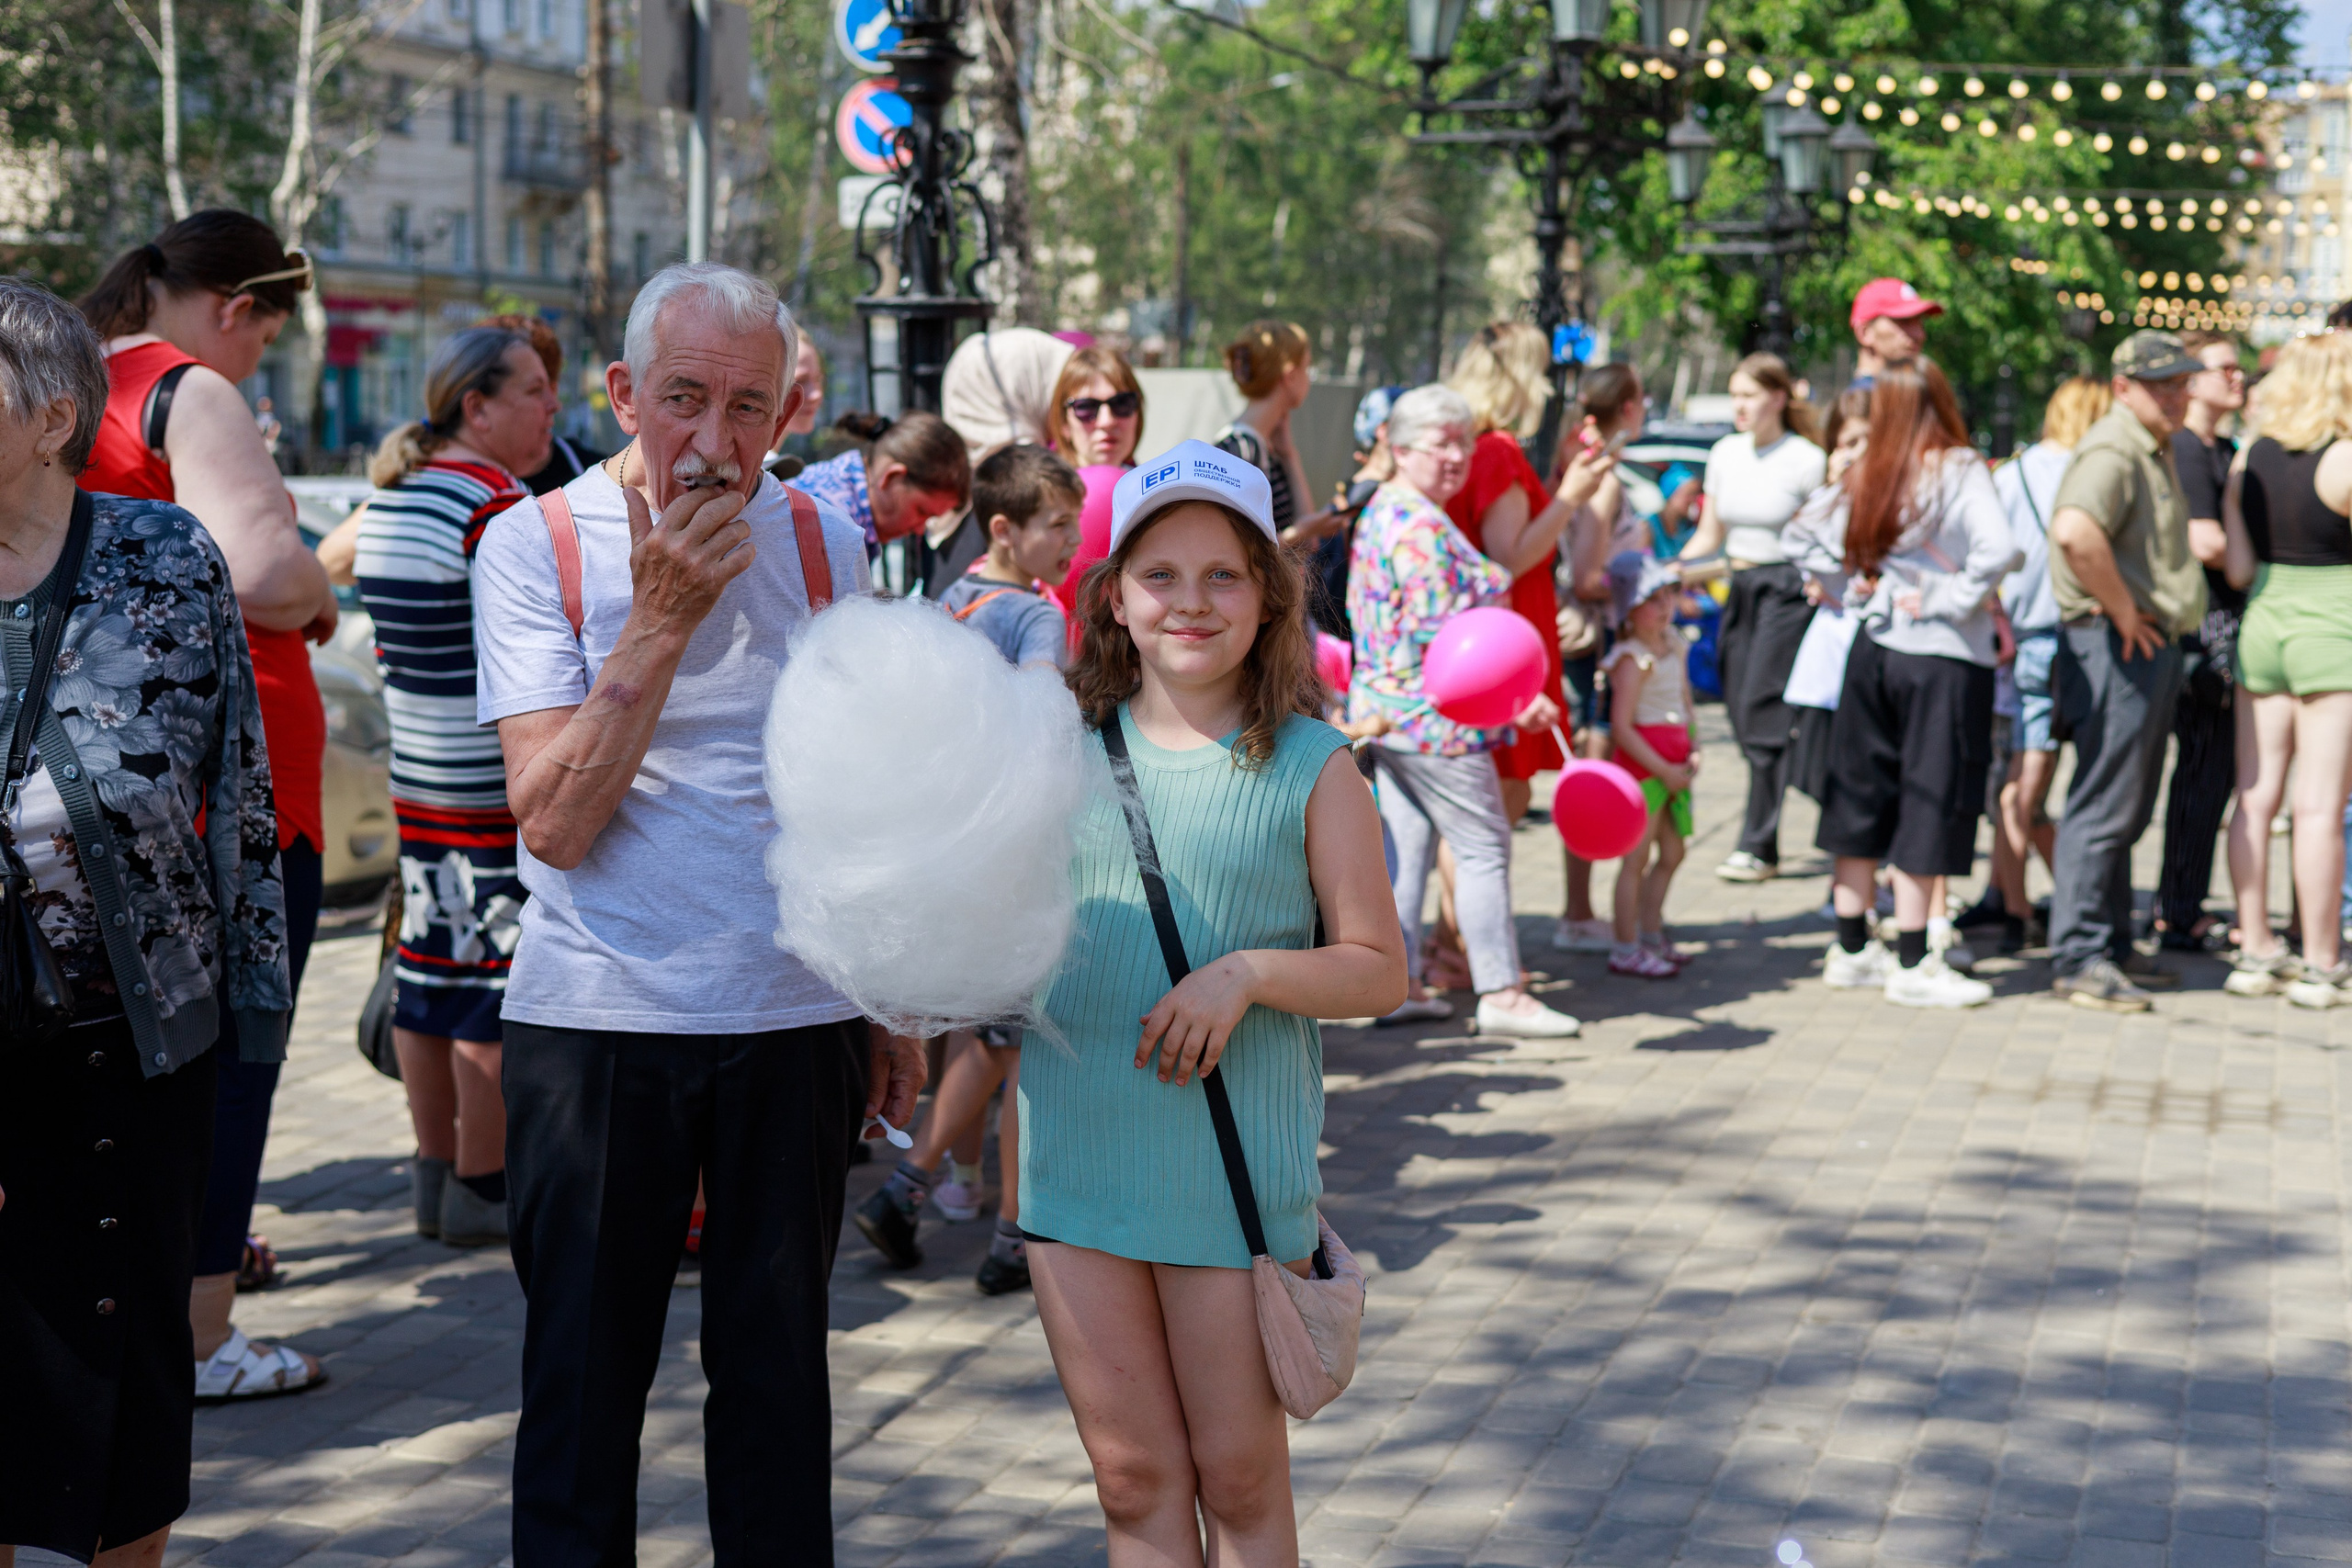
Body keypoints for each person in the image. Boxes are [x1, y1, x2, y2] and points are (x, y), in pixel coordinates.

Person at [470, 262, 925, 1564]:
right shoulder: (536, 541)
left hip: (795, 1013)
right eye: (683, 399)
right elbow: (552, 823)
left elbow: (857, 789)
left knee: (780, 1383)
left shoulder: (830, 541)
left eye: (751, 406)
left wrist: (886, 992)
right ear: (621, 394)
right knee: (581, 1389)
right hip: (600, 1014)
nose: (719, 444)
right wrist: (661, 615)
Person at [1021, 438, 1406, 1564]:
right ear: (1114, 600)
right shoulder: (1048, 751)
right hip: (1073, 1167)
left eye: (1223, 574)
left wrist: (1247, 972)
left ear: (1269, 597)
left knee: (1238, 1481)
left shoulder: (1310, 762)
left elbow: (1378, 966)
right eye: (1160, 576)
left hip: (1228, 1186)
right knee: (1132, 1480)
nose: (1190, 603)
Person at [0, 276, 292, 1567]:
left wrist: (253, 993)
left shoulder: (165, 556)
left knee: (125, 1354)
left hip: (134, 1029)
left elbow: (235, 784)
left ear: (54, 413)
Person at [74, 210, 332, 1400]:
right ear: (241, 307)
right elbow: (262, 570)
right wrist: (321, 583)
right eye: (268, 332)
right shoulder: (192, 390)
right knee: (231, 1051)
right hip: (228, 787)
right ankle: (203, 1328)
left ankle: (116, 1301)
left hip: (96, 771)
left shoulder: (67, 374)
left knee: (113, 1063)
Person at [857, 444, 1085, 1294]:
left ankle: (909, 1190)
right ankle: (1012, 1236)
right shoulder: (1035, 616)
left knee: (989, 1039)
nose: (1071, 539)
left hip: (955, 854)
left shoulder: (947, 602)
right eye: (1056, 525)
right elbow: (1040, 720)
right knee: (1023, 1052)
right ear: (1003, 528)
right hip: (1018, 862)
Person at [356, 324, 557, 1245]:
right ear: (476, 406)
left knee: (425, 968)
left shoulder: (394, 497)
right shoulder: (494, 504)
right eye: (534, 391)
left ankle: (436, 1173)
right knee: (491, 980)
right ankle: (484, 1183)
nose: (552, 406)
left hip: (418, 775)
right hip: (484, 780)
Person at [1347, 385, 1591, 1039]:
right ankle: (1501, 991)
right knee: (1483, 845)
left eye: (1462, 441)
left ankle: (1393, 986)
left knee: (1410, 850)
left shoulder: (1390, 511)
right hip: (1437, 720)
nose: (1456, 456)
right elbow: (1449, 645)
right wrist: (1514, 697)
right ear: (1399, 450)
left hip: (1391, 714)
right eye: (1440, 444)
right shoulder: (1420, 526)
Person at [1784, 362, 2018, 1010]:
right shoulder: (1958, 467)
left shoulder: (1874, 468)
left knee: (1859, 789)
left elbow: (1801, 534)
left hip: (1872, 648)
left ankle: (1852, 944)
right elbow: (1996, 548)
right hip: (1942, 655)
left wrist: (1852, 590)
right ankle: (1915, 957)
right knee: (1930, 794)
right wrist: (1949, 594)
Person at [2045, 332, 2208, 1012]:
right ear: (2123, 386)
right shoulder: (2115, 447)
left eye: (2181, 381)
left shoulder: (2146, 443)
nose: (2178, 393)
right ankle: (2082, 954)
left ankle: (2106, 943)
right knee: (2105, 802)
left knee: (2123, 802)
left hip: (2135, 644)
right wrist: (2122, 612)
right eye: (2162, 383)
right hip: (2117, 647)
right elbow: (2074, 531)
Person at [2220, 330, 2352, 1008]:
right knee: (2320, 807)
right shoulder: (2347, 460)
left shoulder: (2250, 461)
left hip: (2263, 625)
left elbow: (2239, 568)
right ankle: (2322, 961)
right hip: (2334, 630)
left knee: (2255, 792)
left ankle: (2253, 946)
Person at [1679, 353, 1827, 884]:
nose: (1739, 405)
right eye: (1734, 394)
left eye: (1749, 394)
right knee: (1740, 709)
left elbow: (1823, 537)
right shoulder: (1725, 452)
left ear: (1779, 398)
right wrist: (1671, 571)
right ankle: (1797, 794)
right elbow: (1710, 535)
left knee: (1762, 710)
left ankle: (1758, 844)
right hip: (1737, 586)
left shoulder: (1807, 459)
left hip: (1787, 589)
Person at [1983, 377, 2110, 953]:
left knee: (2022, 780)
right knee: (2027, 788)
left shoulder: (2011, 473)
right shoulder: (2092, 471)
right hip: (2067, 634)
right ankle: (2037, 905)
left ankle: (2019, 903)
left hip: (2022, 636)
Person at [1445, 321, 1581, 817]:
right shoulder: (1498, 450)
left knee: (1484, 803)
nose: (1546, 388)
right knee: (1500, 800)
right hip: (1508, 633)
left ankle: (1455, 900)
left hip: (1490, 630)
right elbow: (1509, 558)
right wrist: (1570, 497)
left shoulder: (1472, 446)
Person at [1552, 363, 1649, 954]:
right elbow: (1587, 575)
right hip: (1593, 644)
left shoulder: (1596, 471)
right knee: (1589, 775)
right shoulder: (1605, 479)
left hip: (1592, 640)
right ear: (1631, 408)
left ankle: (1579, 909)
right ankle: (1579, 910)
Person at [2154, 333, 2246, 951]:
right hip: (2200, 633)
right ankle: (2177, 909)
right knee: (2200, 772)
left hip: (2231, 625)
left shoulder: (2229, 448)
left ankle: (2183, 901)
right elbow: (2209, 542)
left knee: (2215, 776)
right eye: (2225, 369)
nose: (2238, 379)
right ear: (2194, 379)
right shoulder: (2184, 448)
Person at [1601, 553, 1699, 977]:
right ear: (1629, 610)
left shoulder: (1674, 644)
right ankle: (1625, 946)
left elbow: (1685, 700)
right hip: (1645, 770)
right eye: (1651, 599)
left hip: (1676, 763)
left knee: (1674, 850)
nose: (1663, 606)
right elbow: (1622, 728)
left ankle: (1651, 932)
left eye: (1667, 596)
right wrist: (1662, 769)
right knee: (1635, 859)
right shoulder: (1631, 658)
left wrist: (1693, 748)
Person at [1045, 344, 1147, 620]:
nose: (1106, 421)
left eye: (1122, 404)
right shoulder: (1034, 497)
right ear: (1063, 422)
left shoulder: (1158, 495)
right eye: (1086, 408)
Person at [1215, 319, 1336, 551]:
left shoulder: (1262, 445)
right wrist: (1300, 532)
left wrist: (1290, 456)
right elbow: (1236, 553)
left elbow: (1309, 544)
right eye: (1307, 367)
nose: (1308, 378)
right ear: (1290, 376)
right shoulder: (1240, 449)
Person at [792, 409, 972, 561]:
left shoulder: (842, 484)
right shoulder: (834, 526)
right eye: (921, 511)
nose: (919, 530)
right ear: (891, 477)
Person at [480, 312, 606, 493]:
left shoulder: (598, 479)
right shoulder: (454, 482)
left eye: (544, 388)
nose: (554, 405)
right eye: (534, 390)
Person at [1849, 276, 1941, 386]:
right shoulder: (1863, 401)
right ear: (1864, 333)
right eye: (1904, 321)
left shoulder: (1905, 397)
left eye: (1920, 324)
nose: (1920, 335)